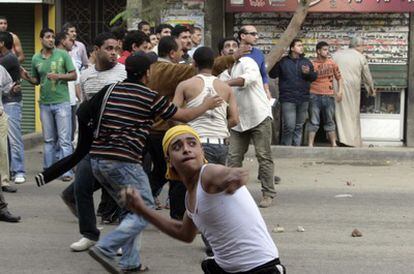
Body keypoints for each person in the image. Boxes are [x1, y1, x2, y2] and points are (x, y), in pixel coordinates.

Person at [87, 53, 223, 273]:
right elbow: (183, 116)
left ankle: (130, 262)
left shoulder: (111, 90)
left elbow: (84, 113)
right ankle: (106, 247)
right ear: (147, 73)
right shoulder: (149, 96)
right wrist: (206, 105)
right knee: (144, 210)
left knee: (134, 210)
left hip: (98, 160)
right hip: (124, 161)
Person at [120, 125, 286, 274]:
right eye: (177, 147)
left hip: (262, 269)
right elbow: (184, 233)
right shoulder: (189, 196)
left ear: (202, 152)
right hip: (227, 268)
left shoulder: (207, 174)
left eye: (192, 143)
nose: (186, 149)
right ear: (169, 160)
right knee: (209, 264)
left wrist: (233, 175)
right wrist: (142, 209)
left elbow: (223, 173)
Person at [59, 32, 126, 251]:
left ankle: (120, 241)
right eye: (108, 48)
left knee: (121, 195)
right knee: (80, 189)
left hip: (119, 145)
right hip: (93, 144)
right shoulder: (86, 76)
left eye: (116, 48)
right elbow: (84, 113)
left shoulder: (124, 73)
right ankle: (90, 234)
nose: (114, 52)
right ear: (96, 50)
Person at [172, 46, 239, 256]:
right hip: (220, 143)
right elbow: (235, 119)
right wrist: (219, 126)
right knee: (216, 193)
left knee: (198, 193)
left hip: (197, 145)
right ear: (214, 64)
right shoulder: (225, 87)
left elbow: (173, 114)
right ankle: (219, 240)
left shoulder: (185, 85)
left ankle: (210, 240)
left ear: (194, 64)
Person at [21, 27, 76, 181]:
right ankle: (49, 171)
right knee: (49, 139)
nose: (51, 39)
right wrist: (26, 77)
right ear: (41, 39)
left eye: (52, 37)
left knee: (65, 140)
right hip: (45, 103)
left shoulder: (63, 55)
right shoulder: (35, 59)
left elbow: (73, 75)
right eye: (47, 37)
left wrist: (59, 76)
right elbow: (37, 81)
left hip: (62, 102)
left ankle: (66, 172)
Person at [226, 42, 276, 208]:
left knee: (263, 156)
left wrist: (225, 84)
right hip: (238, 120)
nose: (232, 49)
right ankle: (234, 194)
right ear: (222, 51)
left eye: (235, 46)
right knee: (233, 157)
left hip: (258, 116)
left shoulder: (247, 62)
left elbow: (246, 80)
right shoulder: (222, 70)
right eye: (228, 47)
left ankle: (268, 193)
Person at [269, 38, 317, 146]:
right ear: (292, 48)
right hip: (288, 98)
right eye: (299, 45)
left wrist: (308, 73)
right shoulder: (283, 62)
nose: (301, 47)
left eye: (301, 45)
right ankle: (286, 149)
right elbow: (272, 74)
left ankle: (297, 149)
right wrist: (276, 61)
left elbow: (314, 77)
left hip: (303, 98)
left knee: (299, 126)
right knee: (289, 126)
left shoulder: (306, 61)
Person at [333, 37, 376, 147]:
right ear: (359, 46)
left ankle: (338, 139)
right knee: (351, 114)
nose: (364, 49)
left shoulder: (336, 54)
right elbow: (367, 76)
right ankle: (350, 141)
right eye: (363, 46)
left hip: (335, 88)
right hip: (351, 89)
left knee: (338, 113)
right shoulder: (360, 57)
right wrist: (371, 89)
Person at [0, 31, 25, 187]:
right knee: (5, 141)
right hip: (6, 101)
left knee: (14, 139)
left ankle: (19, 171)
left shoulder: (8, 59)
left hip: (11, 103)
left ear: (2, 43)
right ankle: (9, 171)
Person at [308, 41, 343, 147]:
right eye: (324, 49)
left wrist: (340, 91)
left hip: (328, 95)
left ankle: (333, 144)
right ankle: (310, 144)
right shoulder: (312, 64)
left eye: (327, 50)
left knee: (329, 120)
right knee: (314, 121)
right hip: (314, 95)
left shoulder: (332, 63)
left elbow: (339, 78)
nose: (327, 52)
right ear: (318, 51)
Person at [0, 64, 20, 222]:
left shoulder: (0, 70)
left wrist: (13, 89)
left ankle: (1, 208)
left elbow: (7, 89)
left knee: (2, 154)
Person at [55, 32, 81, 143]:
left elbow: (76, 83)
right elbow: (76, 82)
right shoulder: (53, 58)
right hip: (63, 102)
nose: (73, 43)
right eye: (70, 40)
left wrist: (80, 100)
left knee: (67, 137)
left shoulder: (71, 59)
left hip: (71, 102)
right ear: (62, 41)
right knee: (64, 138)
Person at [238, 25, 272, 100]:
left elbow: (263, 75)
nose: (256, 37)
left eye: (257, 34)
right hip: (237, 93)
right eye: (253, 34)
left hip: (256, 94)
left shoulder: (259, 54)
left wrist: (266, 91)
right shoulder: (234, 53)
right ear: (243, 36)